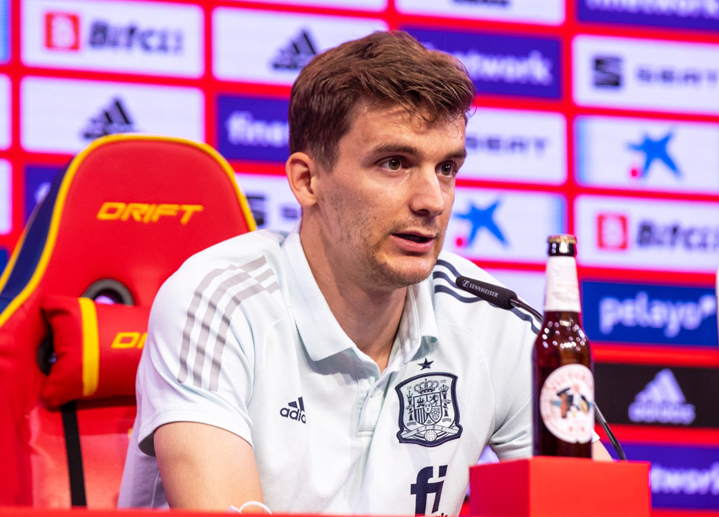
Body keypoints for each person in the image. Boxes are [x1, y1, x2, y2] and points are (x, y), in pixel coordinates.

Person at [118, 30, 610, 516]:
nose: (432, 201)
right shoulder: (217, 304)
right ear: (307, 180)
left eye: (446, 168)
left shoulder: (493, 320)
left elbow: (591, 503)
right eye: (395, 163)